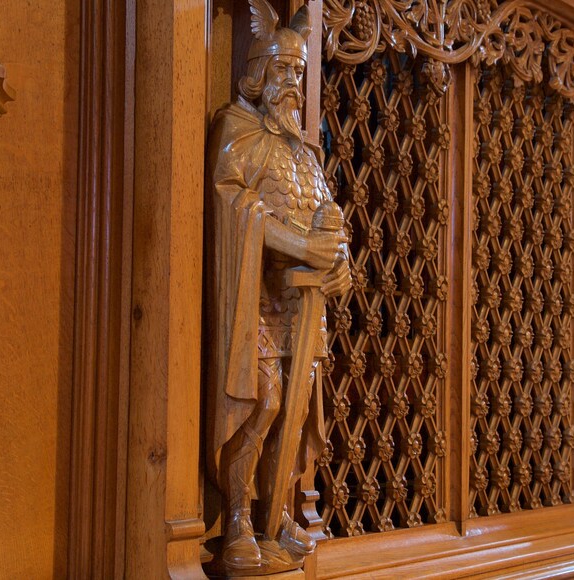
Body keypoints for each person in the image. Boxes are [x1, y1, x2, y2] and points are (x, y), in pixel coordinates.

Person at [204, 0, 350, 571]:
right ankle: (238, 518)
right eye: (283, 69)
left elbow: (330, 223)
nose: (292, 81)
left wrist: (337, 262)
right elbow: (235, 206)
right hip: (254, 299)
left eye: (299, 70)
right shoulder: (235, 129)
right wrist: (303, 248)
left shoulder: (306, 152)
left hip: (301, 305)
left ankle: (275, 515)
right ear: (258, 70)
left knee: (295, 407)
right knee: (262, 403)